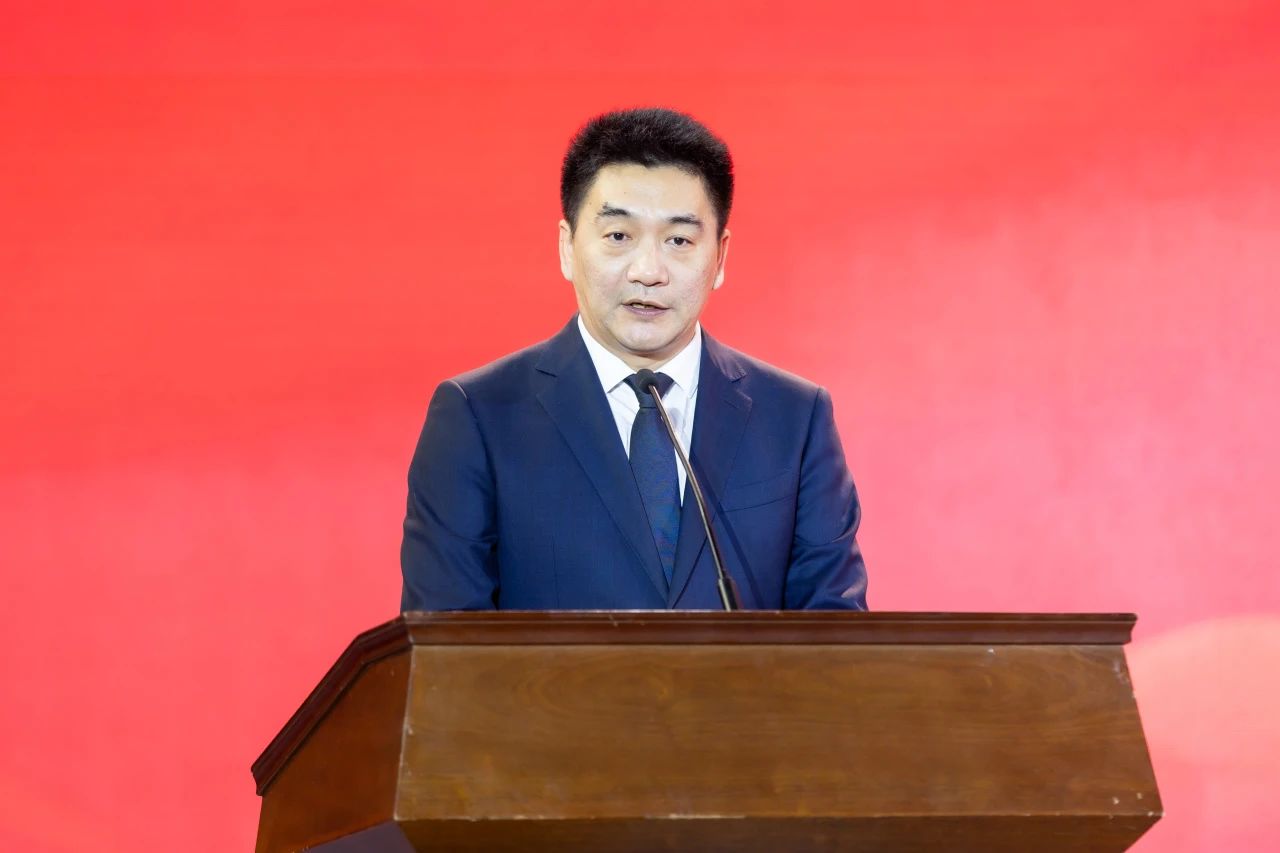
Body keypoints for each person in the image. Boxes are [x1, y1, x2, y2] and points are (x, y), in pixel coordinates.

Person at [400, 108, 867, 611]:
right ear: (567, 247)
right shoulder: (479, 416)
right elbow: (445, 639)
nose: (648, 271)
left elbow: (834, 633)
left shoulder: (795, 419)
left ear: (720, 258)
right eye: (619, 236)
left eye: (679, 241)